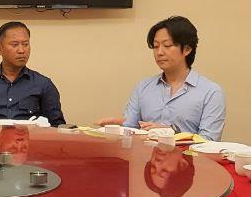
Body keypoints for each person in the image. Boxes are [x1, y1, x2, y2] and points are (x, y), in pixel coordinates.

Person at [96, 16, 225, 138]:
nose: (159, 52)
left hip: (187, 155)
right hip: (147, 154)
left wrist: (171, 133)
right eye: (156, 46)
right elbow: (131, 130)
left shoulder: (211, 92)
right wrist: (117, 127)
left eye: (167, 46)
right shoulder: (143, 87)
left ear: (187, 49)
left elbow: (209, 141)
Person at [0, 21, 65, 126]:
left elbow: (57, 127)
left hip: (30, 136)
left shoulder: (43, 84)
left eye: (25, 44)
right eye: (14, 45)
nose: (21, 50)